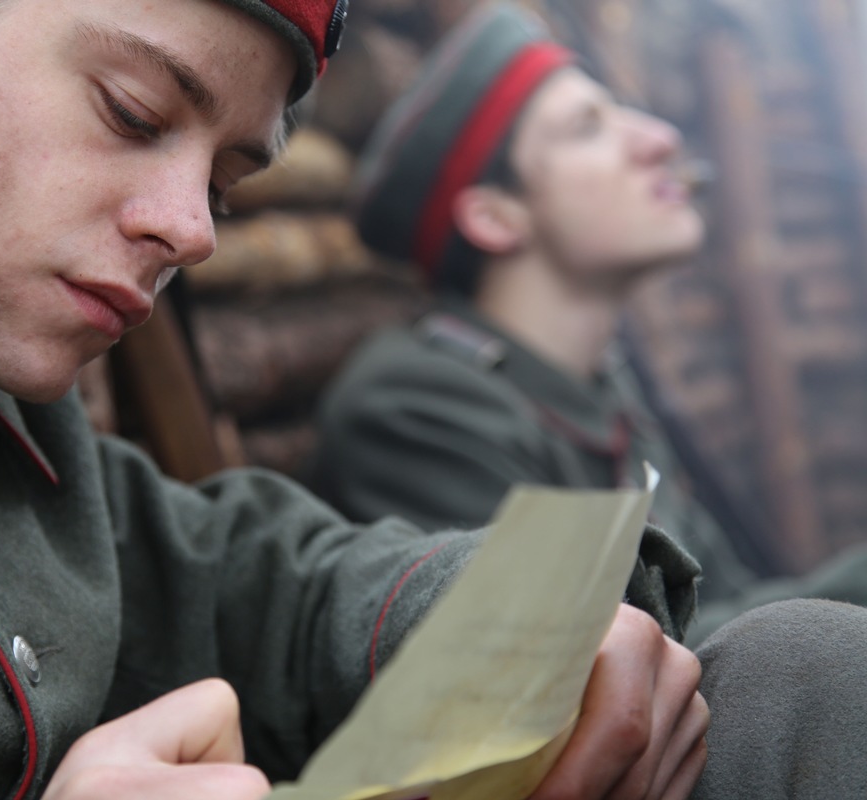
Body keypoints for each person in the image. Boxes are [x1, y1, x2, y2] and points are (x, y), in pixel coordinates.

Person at [0, 0, 865, 798]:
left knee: (801, 676)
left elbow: (251, 580)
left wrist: (521, 627)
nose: (190, 228)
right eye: (131, 111)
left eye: (228, 177)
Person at [308, 0, 867, 647]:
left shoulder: (606, 393)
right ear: (494, 217)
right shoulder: (414, 413)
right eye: (587, 127)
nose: (659, 140)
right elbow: (593, 665)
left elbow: (728, 601)